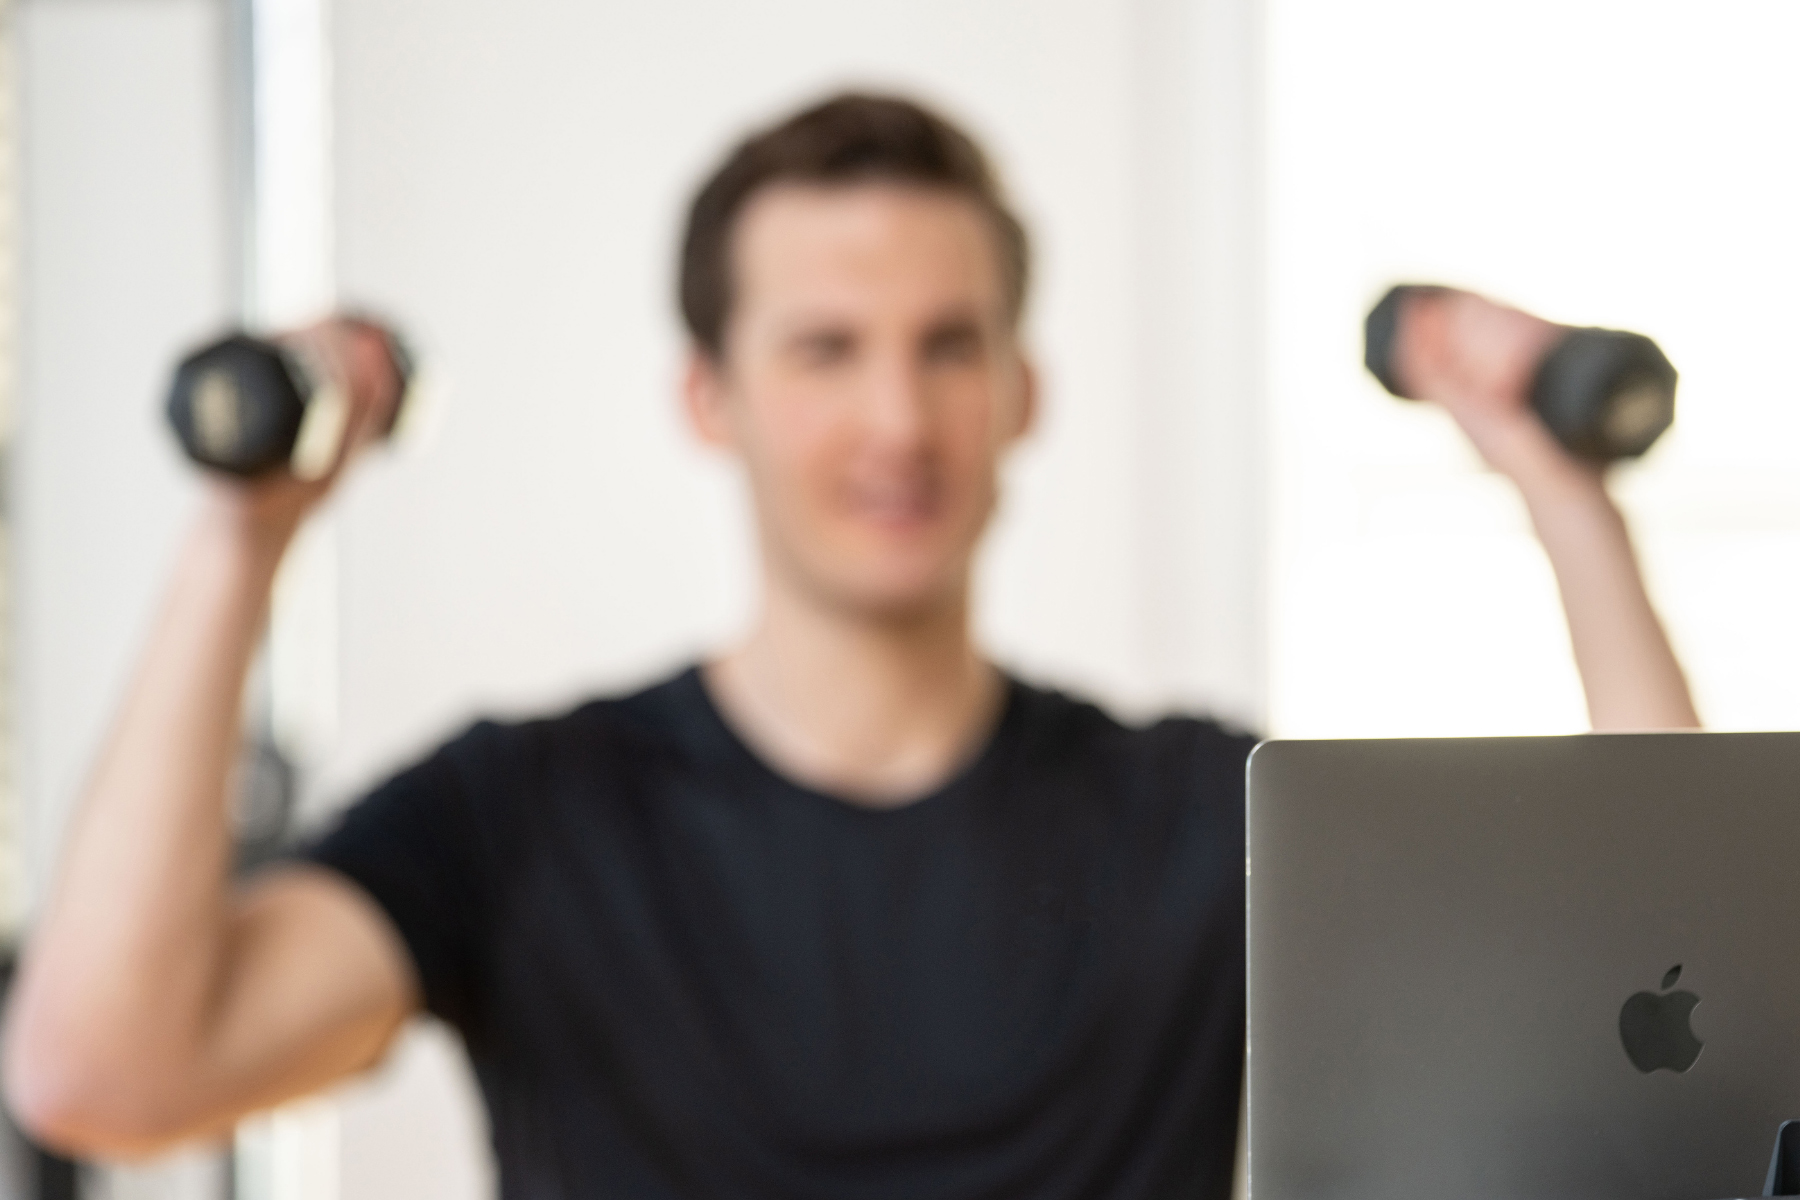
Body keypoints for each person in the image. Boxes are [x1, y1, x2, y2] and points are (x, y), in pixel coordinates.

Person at [1, 93, 1698, 1197]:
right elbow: (101, 1069)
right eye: (826, 348)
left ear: (1021, 392)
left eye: (948, 346)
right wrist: (247, 536)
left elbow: (1665, 1013)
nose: (897, 417)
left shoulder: (1209, 812)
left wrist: (1566, 494)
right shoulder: (525, 815)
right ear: (709, 397)